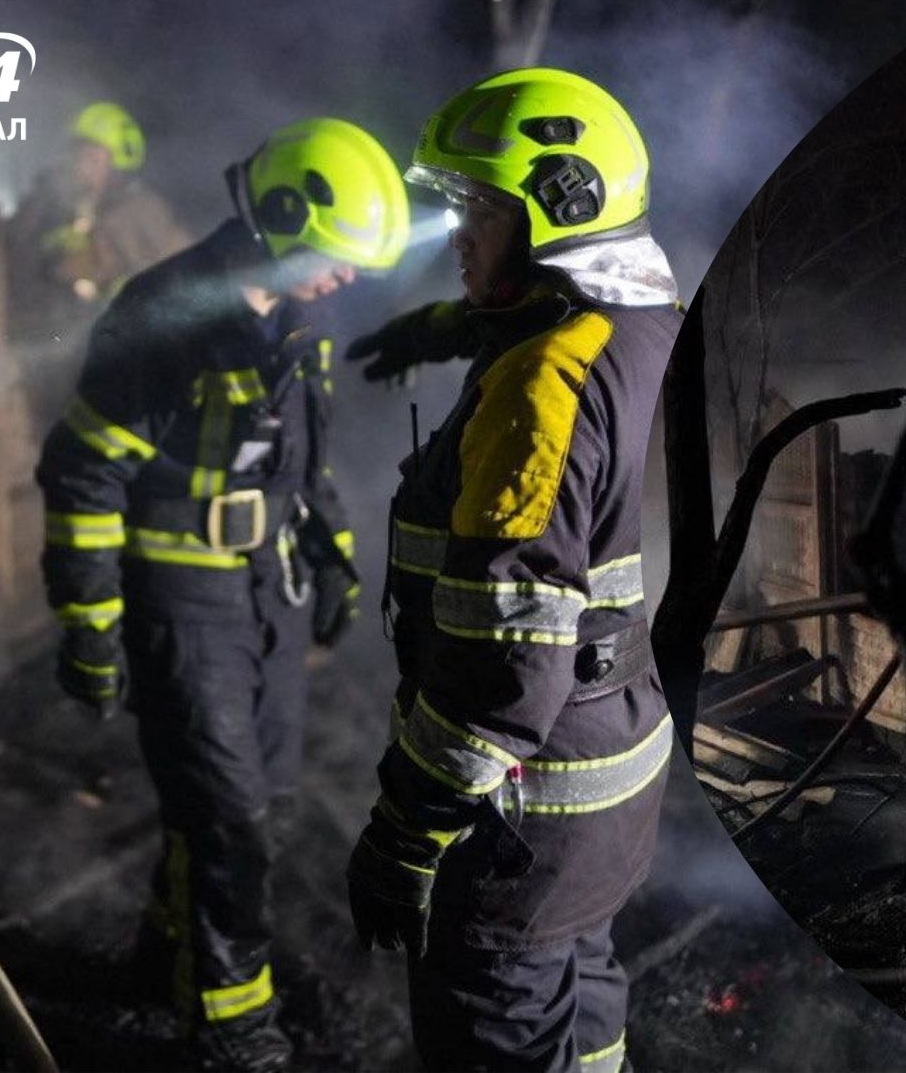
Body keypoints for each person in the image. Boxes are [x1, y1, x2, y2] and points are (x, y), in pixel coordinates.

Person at [35, 117, 409, 1070]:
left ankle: (164, 957)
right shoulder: (168, 313)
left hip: (267, 593)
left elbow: (303, 462)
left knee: (254, 804)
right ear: (281, 218)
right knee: (231, 819)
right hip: (183, 600)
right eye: (335, 256)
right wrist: (90, 625)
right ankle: (236, 1027)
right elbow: (83, 472)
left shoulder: (295, 315)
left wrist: (333, 556)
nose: (346, 278)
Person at [342, 68, 680, 1071]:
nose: (456, 236)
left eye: (480, 212)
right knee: (583, 995)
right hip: (616, 779)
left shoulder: (541, 387)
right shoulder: (655, 323)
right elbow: (575, 330)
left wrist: (407, 831)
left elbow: (501, 669)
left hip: (523, 816)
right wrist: (453, 326)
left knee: (496, 1024)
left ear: (559, 210)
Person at [11, 101, 191, 310]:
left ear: (117, 167)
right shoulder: (63, 206)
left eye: (92, 158)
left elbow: (91, 263)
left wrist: (50, 258)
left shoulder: (139, 212)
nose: (81, 167)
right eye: (77, 156)